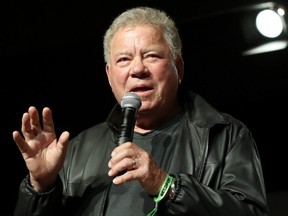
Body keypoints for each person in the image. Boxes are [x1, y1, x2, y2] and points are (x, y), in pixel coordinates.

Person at [12, 6, 270, 216]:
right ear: (109, 75)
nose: (137, 69)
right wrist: (41, 187)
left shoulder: (224, 135)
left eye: (152, 56)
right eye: (123, 59)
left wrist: (165, 185)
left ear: (178, 68)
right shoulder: (78, 149)